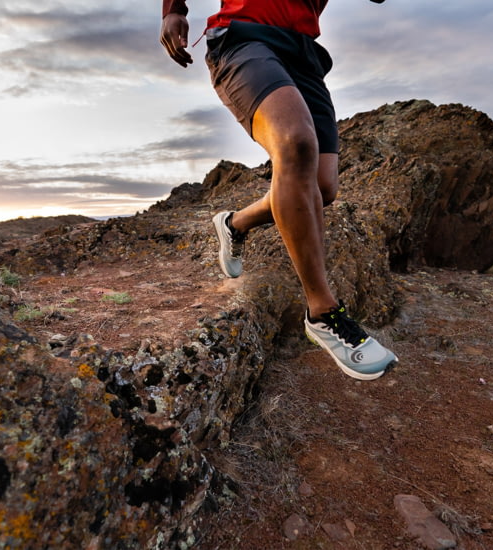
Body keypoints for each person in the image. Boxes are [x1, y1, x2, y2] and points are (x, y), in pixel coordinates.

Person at [159, 0, 396, 380]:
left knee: (321, 187)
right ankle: (322, 312)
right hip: (243, 38)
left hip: (304, 53)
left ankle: (235, 224)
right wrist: (174, 10)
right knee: (295, 143)